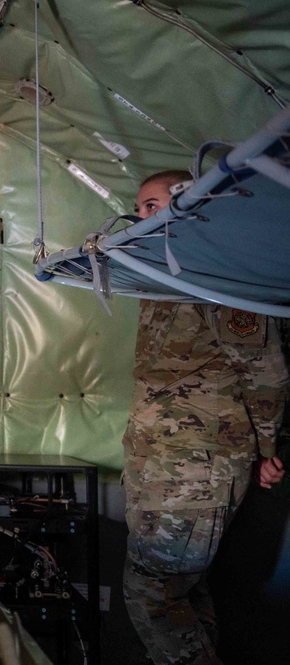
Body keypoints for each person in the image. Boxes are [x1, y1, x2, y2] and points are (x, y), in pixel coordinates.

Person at [121, 170, 289, 664]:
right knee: (182, 593)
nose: (141, 218)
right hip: (160, 466)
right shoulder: (167, 275)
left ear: (188, 202)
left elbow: (266, 375)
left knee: (150, 593)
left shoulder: (222, 274)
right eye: (139, 208)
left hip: (196, 471)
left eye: (152, 206)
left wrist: (268, 451)